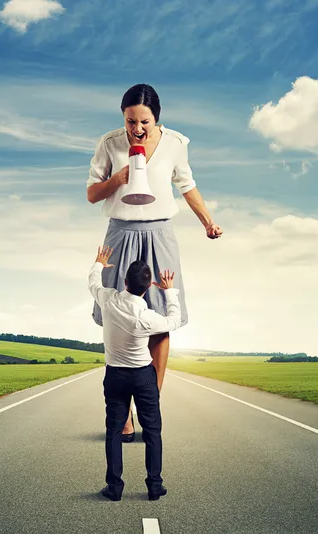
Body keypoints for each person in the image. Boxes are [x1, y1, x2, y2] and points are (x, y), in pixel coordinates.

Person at [87, 83, 223, 440]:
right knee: (118, 319)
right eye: (130, 121)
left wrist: (208, 222)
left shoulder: (176, 144)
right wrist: (120, 178)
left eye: (143, 121)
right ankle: (125, 416)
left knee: (161, 318)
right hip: (120, 233)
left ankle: (150, 406)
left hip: (160, 233)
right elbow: (91, 194)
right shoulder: (110, 143)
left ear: (156, 117)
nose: (137, 129)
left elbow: (187, 185)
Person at [89, 245, 181, 501]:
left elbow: (93, 283)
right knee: (152, 430)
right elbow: (174, 320)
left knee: (114, 431)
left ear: (125, 282)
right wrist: (169, 291)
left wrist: (99, 263)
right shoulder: (147, 317)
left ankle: (115, 487)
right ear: (148, 286)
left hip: (115, 376)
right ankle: (154, 485)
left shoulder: (108, 300)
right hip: (143, 377)